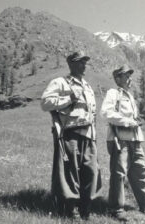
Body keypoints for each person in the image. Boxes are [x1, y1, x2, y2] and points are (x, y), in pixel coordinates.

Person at [101, 65, 145, 221]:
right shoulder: (113, 93)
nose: (129, 78)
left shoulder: (129, 96)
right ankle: (116, 209)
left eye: (129, 76)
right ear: (117, 78)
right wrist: (126, 121)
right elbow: (106, 112)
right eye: (125, 76)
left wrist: (135, 122)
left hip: (135, 139)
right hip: (119, 139)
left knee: (141, 172)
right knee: (119, 174)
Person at [41, 51, 102, 219]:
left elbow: (92, 114)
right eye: (80, 62)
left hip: (88, 135)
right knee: (69, 172)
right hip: (69, 133)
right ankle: (70, 208)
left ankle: (86, 208)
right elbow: (45, 103)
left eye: (85, 62)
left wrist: (94, 136)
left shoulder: (88, 86)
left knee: (90, 171)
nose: (84, 65)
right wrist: (69, 98)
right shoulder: (61, 82)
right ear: (71, 64)